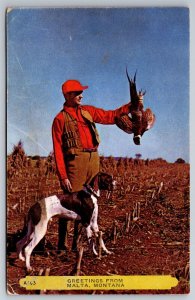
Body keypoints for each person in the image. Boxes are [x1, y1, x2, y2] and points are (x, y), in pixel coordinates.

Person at [52, 79, 131, 251]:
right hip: (75, 162)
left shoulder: (88, 111)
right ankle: (62, 245)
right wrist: (63, 176)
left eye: (81, 92)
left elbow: (110, 116)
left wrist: (130, 107)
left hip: (93, 159)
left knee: (89, 203)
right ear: (67, 95)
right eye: (77, 93)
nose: (81, 95)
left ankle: (77, 244)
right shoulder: (59, 119)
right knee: (69, 201)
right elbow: (57, 150)